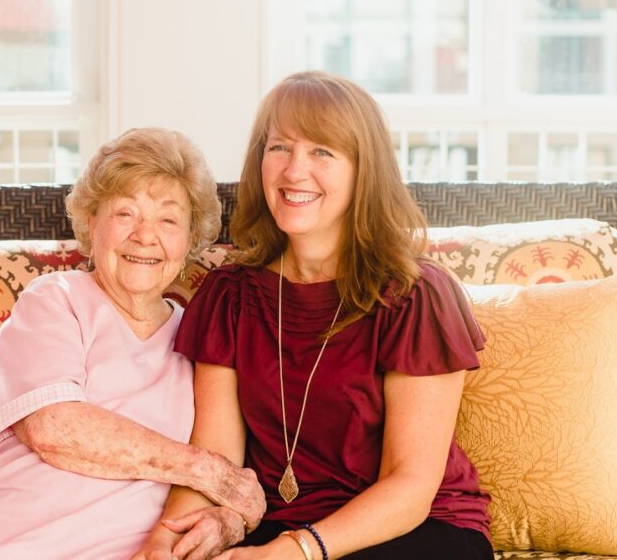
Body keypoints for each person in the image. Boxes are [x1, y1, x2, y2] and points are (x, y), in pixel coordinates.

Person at [134, 72, 493, 560]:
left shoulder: (415, 295)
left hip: (413, 530)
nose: (294, 171)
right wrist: (169, 537)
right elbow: (216, 458)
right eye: (280, 147)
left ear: (363, 170)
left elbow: (410, 485)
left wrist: (292, 551)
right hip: (276, 529)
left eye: (323, 151)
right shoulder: (230, 295)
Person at [0, 127, 265, 560]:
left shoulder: (200, 339)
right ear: (92, 223)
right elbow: (54, 428)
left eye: (167, 219)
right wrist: (206, 471)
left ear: (189, 241)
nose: (145, 236)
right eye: (125, 214)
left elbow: (223, 481)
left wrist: (230, 519)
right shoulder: (56, 299)